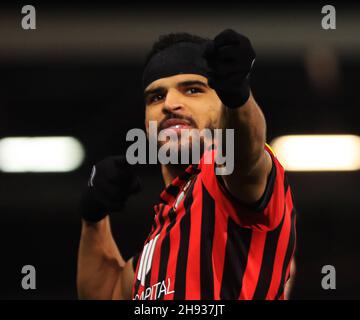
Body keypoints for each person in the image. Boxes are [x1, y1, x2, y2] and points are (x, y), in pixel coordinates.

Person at [77, 29, 296, 300]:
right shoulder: (157, 240)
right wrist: (93, 217)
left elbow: (246, 155)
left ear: (222, 102)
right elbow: (104, 294)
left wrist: (238, 95)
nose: (170, 104)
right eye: (155, 97)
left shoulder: (228, 180)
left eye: (193, 90)